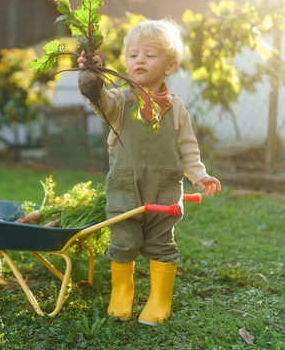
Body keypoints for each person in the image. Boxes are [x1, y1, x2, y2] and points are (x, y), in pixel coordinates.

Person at [77, 18, 221, 325]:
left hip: (165, 188)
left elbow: (187, 145)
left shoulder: (176, 107)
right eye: (133, 55)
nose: (139, 60)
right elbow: (100, 101)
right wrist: (92, 79)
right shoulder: (120, 99)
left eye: (149, 55)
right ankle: (122, 292)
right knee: (124, 242)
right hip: (124, 187)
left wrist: (198, 174)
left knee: (160, 243)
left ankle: (159, 300)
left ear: (170, 67)